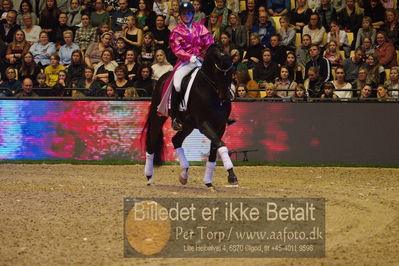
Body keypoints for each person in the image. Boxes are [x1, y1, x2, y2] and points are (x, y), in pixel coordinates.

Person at [158, 1, 214, 130]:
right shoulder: (176, 31)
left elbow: (209, 43)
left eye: (189, 13)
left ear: (192, 14)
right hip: (185, 62)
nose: (186, 16)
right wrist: (189, 57)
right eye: (184, 14)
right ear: (180, 15)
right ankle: (175, 117)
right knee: (177, 83)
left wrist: (206, 54)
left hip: (201, 60)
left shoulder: (201, 28)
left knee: (217, 77)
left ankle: (223, 113)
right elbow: (176, 49)